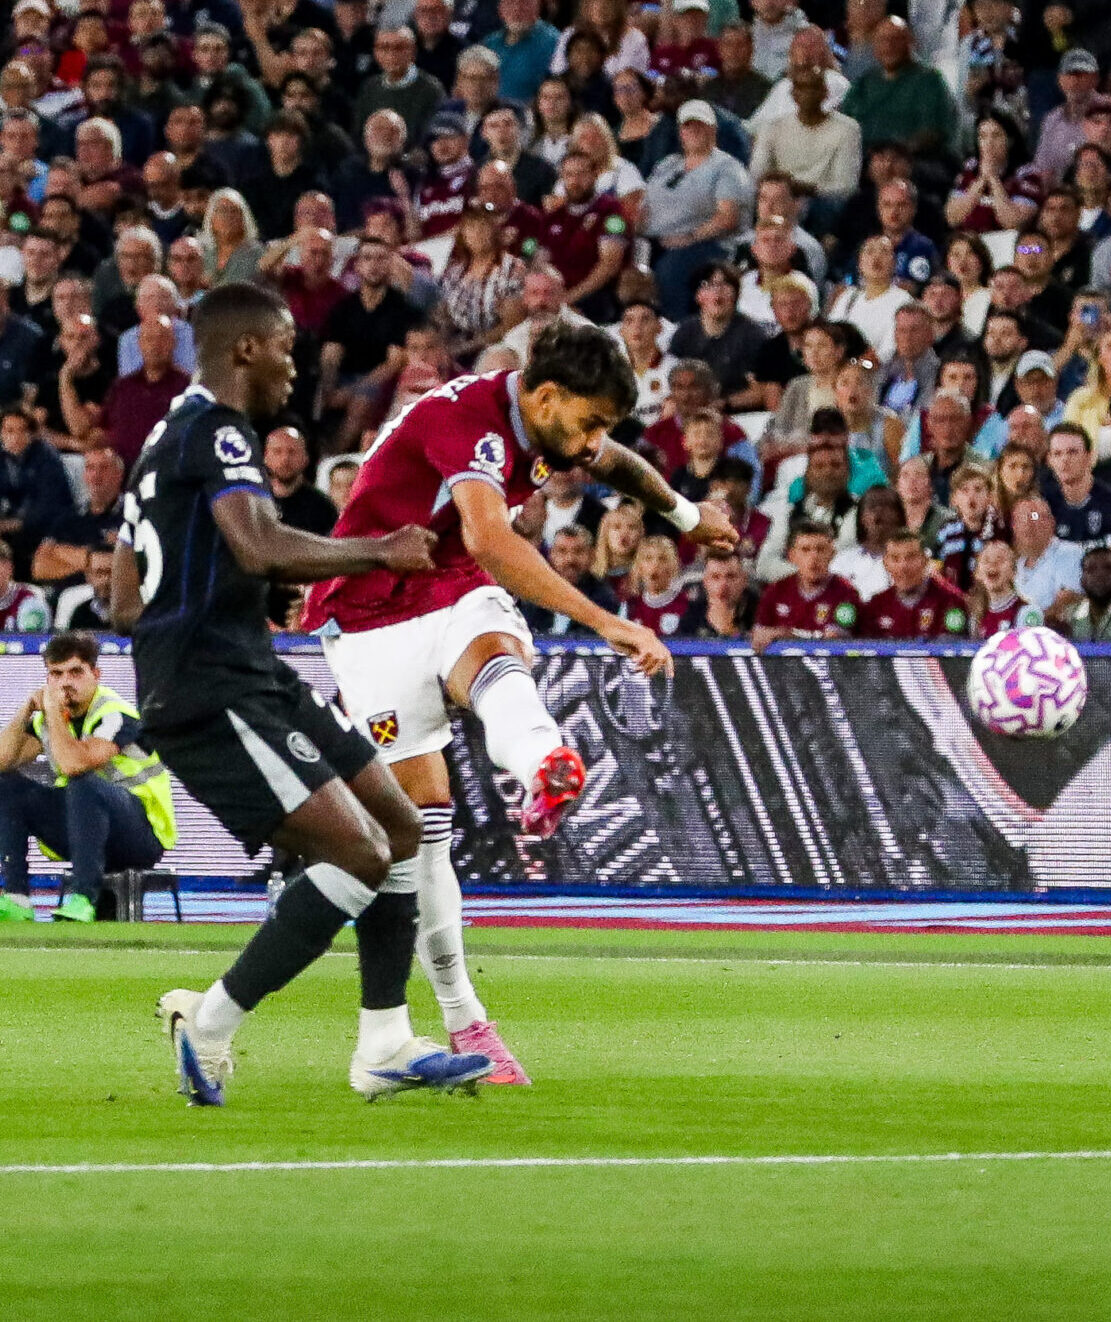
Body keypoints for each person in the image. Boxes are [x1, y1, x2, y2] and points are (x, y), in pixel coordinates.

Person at [303, 320, 738, 1086]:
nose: (591, 442)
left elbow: (622, 466)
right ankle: (462, 1014)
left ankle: (544, 768)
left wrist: (682, 514)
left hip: (448, 589)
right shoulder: (465, 422)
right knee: (422, 828)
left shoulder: (549, 423)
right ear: (544, 394)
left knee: (497, 652)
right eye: (589, 421)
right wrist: (605, 621)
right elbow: (490, 540)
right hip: (368, 613)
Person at [107, 284, 486, 1103]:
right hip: (213, 690)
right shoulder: (215, 429)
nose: (292, 363)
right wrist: (377, 550)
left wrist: (221, 601)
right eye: (282, 344)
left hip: (249, 672)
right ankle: (206, 1026)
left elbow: (123, 600)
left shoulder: (160, 443)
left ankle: (384, 1041)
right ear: (244, 348)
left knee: (400, 825)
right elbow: (256, 542)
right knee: (355, 852)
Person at [0, 634, 176, 924]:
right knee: (6, 785)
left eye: (75, 672)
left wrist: (54, 715)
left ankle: (84, 897)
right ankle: (16, 898)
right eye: (56, 674)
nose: (65, 682)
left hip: (139, 834)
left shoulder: (114, 713)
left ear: (95, 675)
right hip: (85, 830)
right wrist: (26, 711)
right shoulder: (47, 717)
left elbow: (74, 765)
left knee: (83, 781)